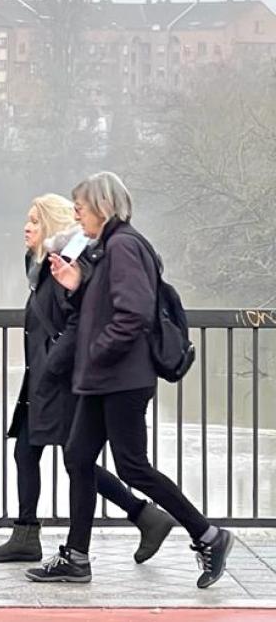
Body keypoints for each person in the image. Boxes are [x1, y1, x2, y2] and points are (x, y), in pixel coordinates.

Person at [27, 172, 233, 588]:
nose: (78, 217)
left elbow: (133, 314)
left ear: (102, 207)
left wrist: (96, 350)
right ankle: (77, 558)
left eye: (81, 209)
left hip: (122, 378)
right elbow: (105, 305)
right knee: (78, 458)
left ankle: (209, 536)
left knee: (133, 467)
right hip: (105, 378)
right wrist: (78, 284)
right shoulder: (109, 248)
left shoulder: (123, 246)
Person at [0, 194, 175, 564]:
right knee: (29, 449)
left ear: (52, 226)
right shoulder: (40, 267)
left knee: (77, 459)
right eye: (27, 220)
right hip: (43, 376)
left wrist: (54, 363)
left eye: (35, 221)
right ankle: (27, 533)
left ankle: (142, 515)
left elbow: (75, 321)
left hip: (62, 378)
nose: (27, 227)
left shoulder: (62, 267)